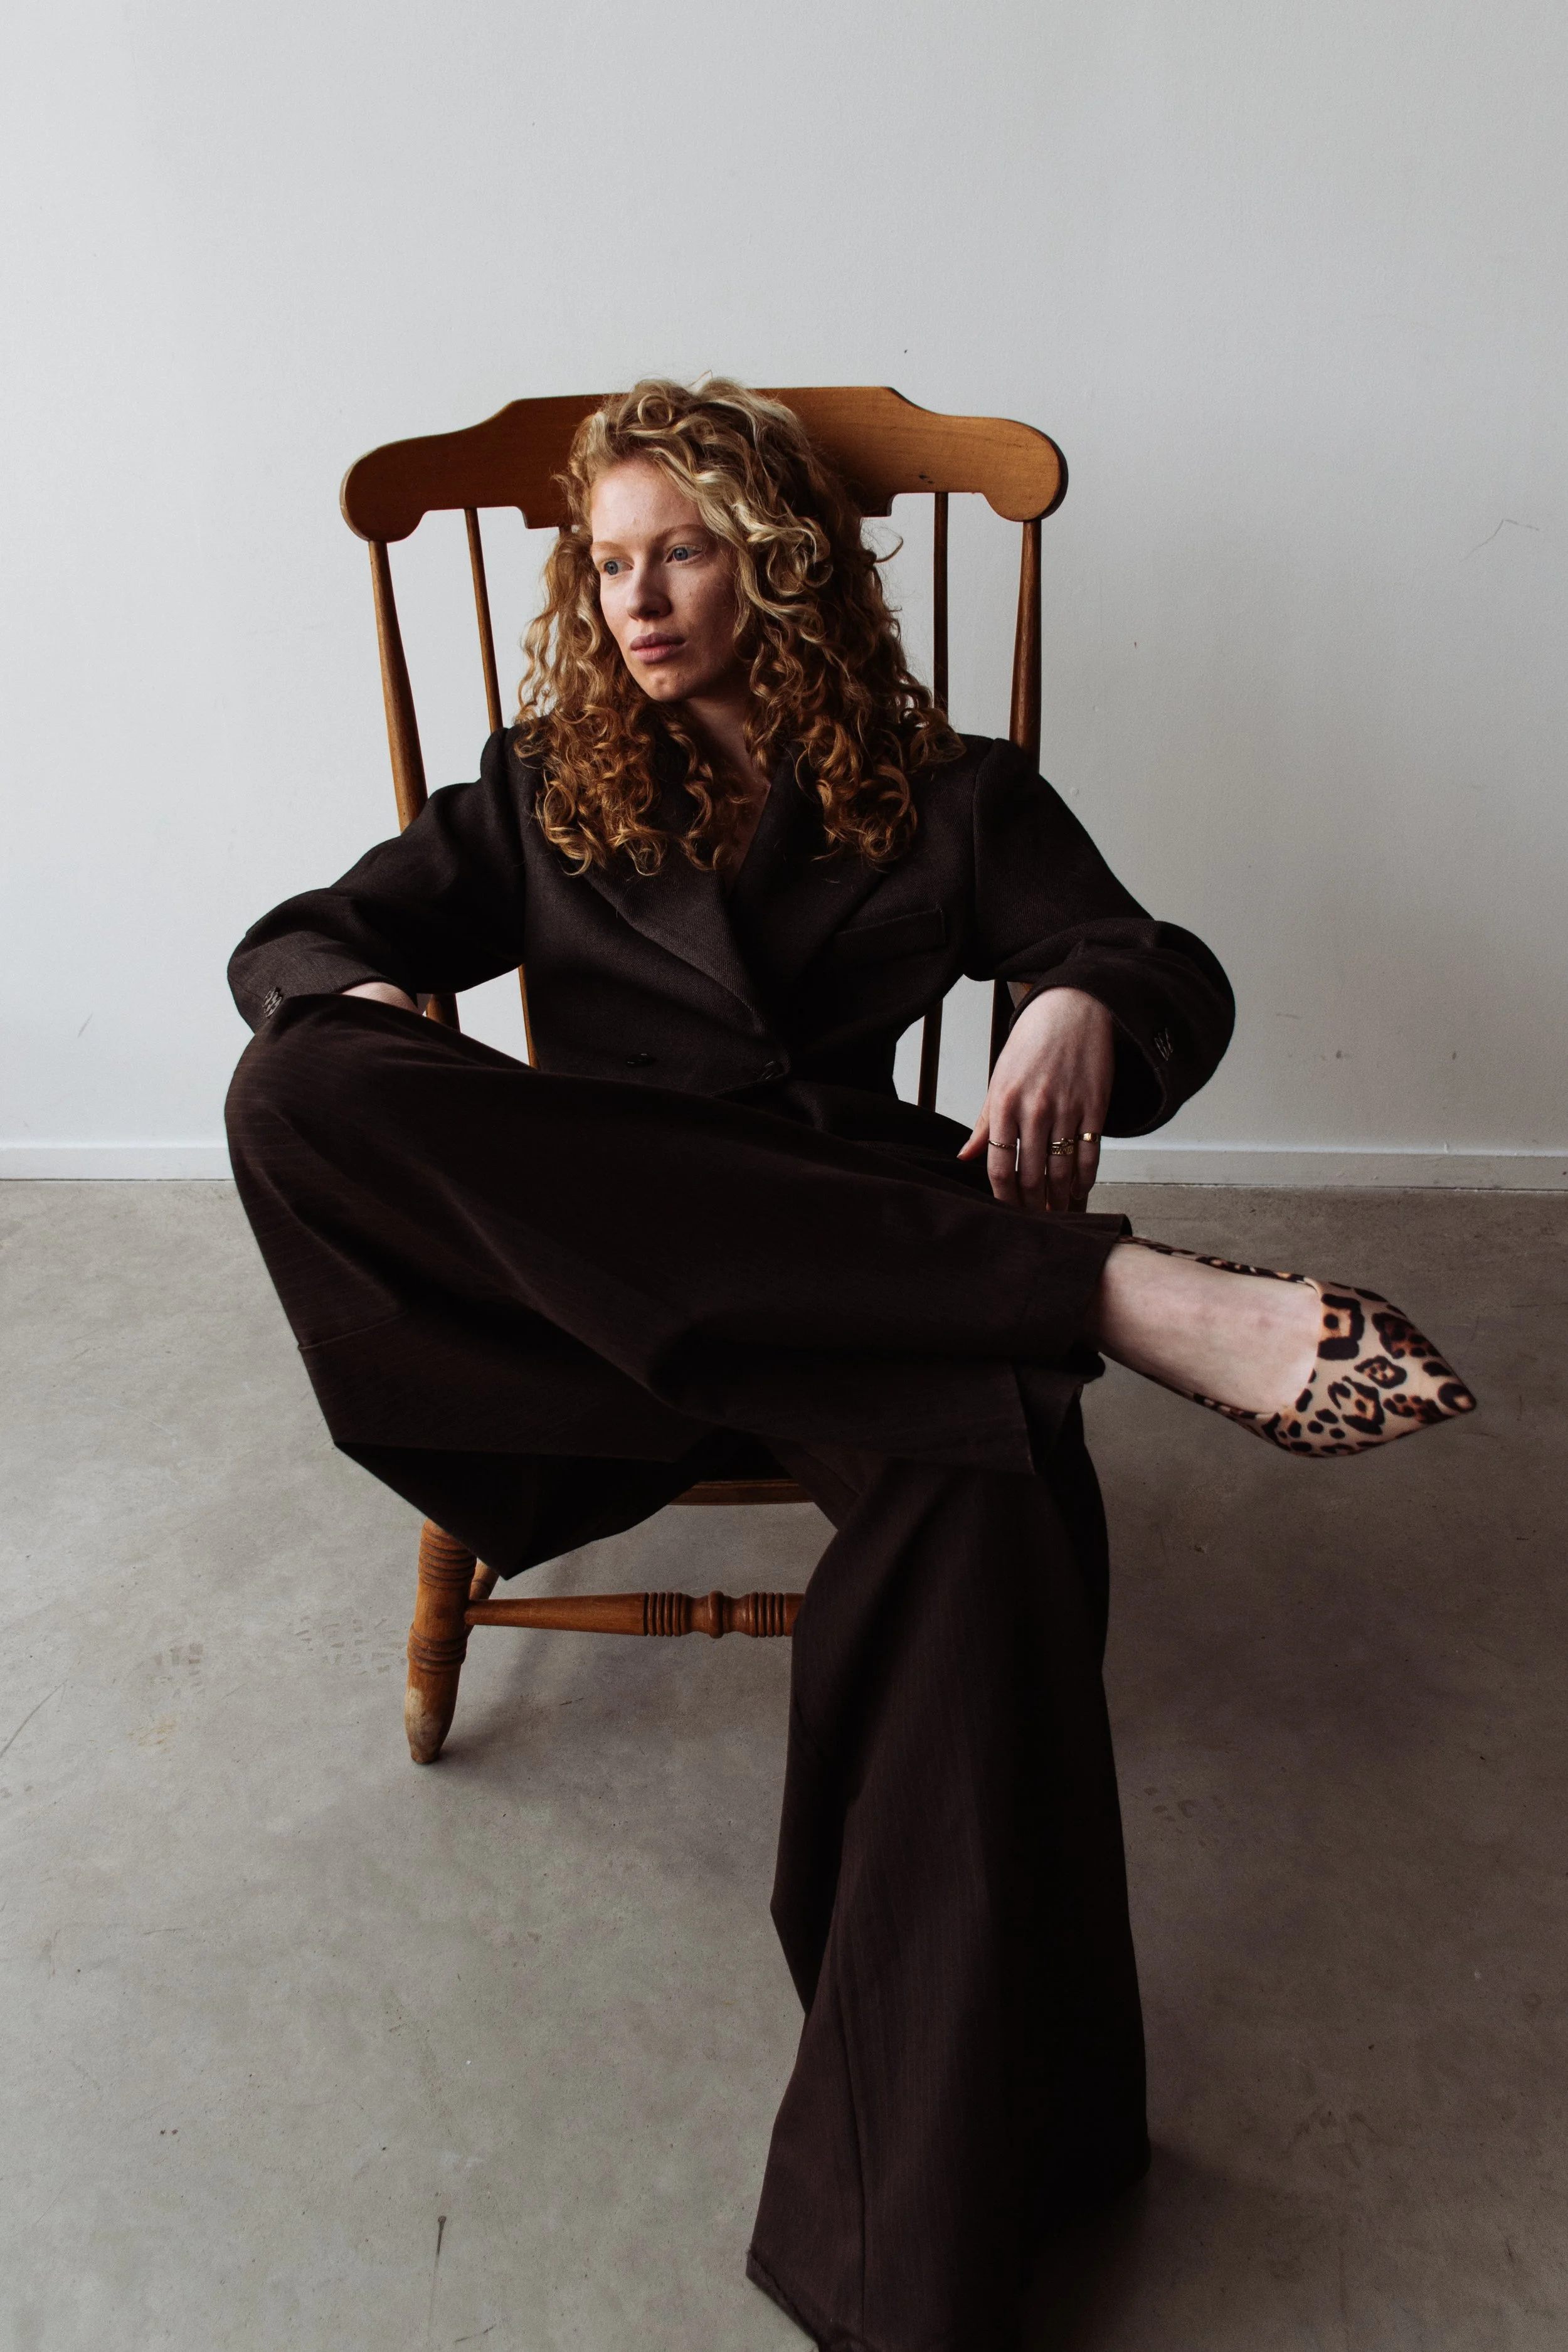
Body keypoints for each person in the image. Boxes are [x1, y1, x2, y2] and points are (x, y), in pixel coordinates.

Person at [225, 380, 1475, 2352]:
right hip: (597, 1304)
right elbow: (297, 938)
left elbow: (1162, 960)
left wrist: (1072, 995)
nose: (636, 599)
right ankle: (1095, 1297)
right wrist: (360, 987)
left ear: (777, 562)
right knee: (298, 1080)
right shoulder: (544, 780)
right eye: (604, 562)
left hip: (863, 1290)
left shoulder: (947, 788)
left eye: (683, 551)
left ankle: (926, 2260)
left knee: (986, 1520)